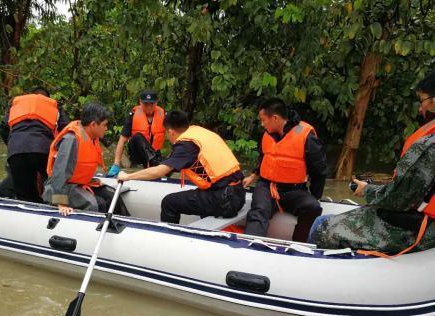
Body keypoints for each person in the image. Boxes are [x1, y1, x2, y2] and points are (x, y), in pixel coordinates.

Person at [309, 72, 435, 255]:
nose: (420, 109)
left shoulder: (428, 146)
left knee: (322, 226)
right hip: (419, 217)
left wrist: (367, 190)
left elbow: (399, 199)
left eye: (422, 101)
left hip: (420, 228)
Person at [117, 110, 246, 224]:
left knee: (169, 203)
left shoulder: (186, 145)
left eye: (167, 134)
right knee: (198, 194)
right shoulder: (199, 132)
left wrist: (128, 176)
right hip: (237, 192)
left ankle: (169, 241)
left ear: (171, 132)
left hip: (225, 200)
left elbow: (160, 172)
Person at [242, 98, 327, 242]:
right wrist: (252, 176)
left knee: (313, 207)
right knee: (259, 210)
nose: (262, 124)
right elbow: (265, 157)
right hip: (266, 186)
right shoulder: (268, 133)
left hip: (293, 190)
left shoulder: (306, 136)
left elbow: (319, 170)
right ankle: (251, 246)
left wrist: (315, 195)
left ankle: (298, 246)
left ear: (275, 118)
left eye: (263, 120)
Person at [42, 102, 130, 216]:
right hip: (62, 187)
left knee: (111, 195)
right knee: (94, 204)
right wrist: (61, 203)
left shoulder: (92, 137)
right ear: (93, 124)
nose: (106, 128)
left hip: (80, 183)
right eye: (104, 125)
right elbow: (60, 174)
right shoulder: (71, 140)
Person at [0, 86, 70, 202]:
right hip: (43, 150)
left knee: (25, 196)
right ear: (47, 98)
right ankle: (59, 206)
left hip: (16, 150)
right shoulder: (54, 106)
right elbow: (66, 130)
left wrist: (12, 145)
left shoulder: (18, 105)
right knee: (55, 182)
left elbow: (3, 127)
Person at [107, 89, 165, 177]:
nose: (149, 107)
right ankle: (156, 162)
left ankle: (156, 162)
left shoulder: (163, 115)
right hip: (137, 154)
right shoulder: (133, 115)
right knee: (138, 136)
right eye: (146, 104)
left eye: (152, 104)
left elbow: (174, 136)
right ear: (140, 102)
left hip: (155, 154)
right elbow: (122, 140)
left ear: (156, 102)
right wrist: (116, 164)